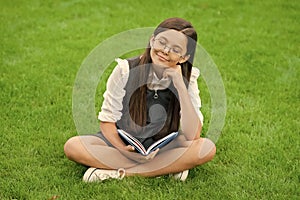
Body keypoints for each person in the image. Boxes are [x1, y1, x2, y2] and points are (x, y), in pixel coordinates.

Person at [64, 17, 216, 182]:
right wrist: (122, 149)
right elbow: (107, 122)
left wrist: (180, 85)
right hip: (123, 145)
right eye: (162, 42)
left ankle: (118, 173)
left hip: (162, 148)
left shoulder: (189, 78)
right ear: (152, 40)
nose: (165, 51)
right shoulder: (124, 70)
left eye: (175, 49)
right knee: (73, 146)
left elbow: (193, 135)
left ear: (184, 57)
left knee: (206, 148)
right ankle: (167, 168)